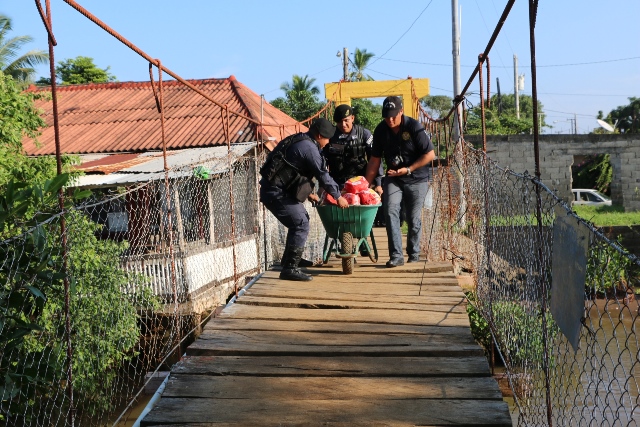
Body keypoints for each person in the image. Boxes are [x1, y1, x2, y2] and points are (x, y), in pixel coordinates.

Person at [260, 118, 349, 281]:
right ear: (319, 135)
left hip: (276, 189)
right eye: (327, 138)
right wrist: (338, 197)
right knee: (300, 223)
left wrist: (309, 194)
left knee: (300, 220)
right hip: (276, 193)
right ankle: (289, 269)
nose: (328, 142)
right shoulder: (309, 148)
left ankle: (291, 260)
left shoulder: (300, 139)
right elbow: (323, 175)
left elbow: (289, 171)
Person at [365, 96, 435, 268]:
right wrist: (365, 185)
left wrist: (409, 169)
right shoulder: (381, 130)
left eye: (393, 115)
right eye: (386, 116)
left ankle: (414, 253)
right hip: (394, 177)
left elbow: (430, 154)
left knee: (413, 218)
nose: (390, 119)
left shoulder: (414, 127)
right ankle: (396, 255)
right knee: (390, 211)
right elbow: (374, 160)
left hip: (417, 177)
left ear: (401, 111)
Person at [323, 104, 383, 194]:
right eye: (339, 122)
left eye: (346, 120)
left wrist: (378, 183)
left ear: (352, 118)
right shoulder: (330, 136)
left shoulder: (364, 134)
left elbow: (375, 159)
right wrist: (323, 185)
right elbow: (322, 161)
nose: (343, 125)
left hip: (360, 183)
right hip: (336, 183)